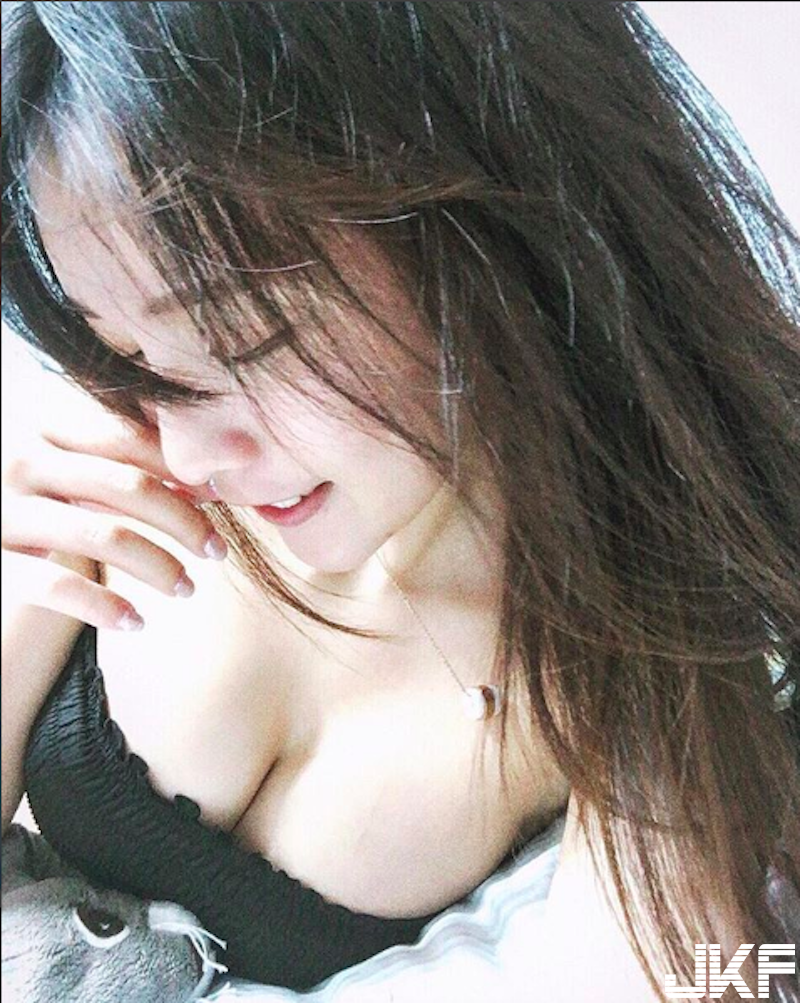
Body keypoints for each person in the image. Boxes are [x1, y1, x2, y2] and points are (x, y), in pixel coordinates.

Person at [2, 2, 798, 999]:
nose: (190, 452)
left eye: (249, 342)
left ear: (482, 222)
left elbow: (675, 970)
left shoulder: (653, 653)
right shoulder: (116, 459)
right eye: (125, 355)